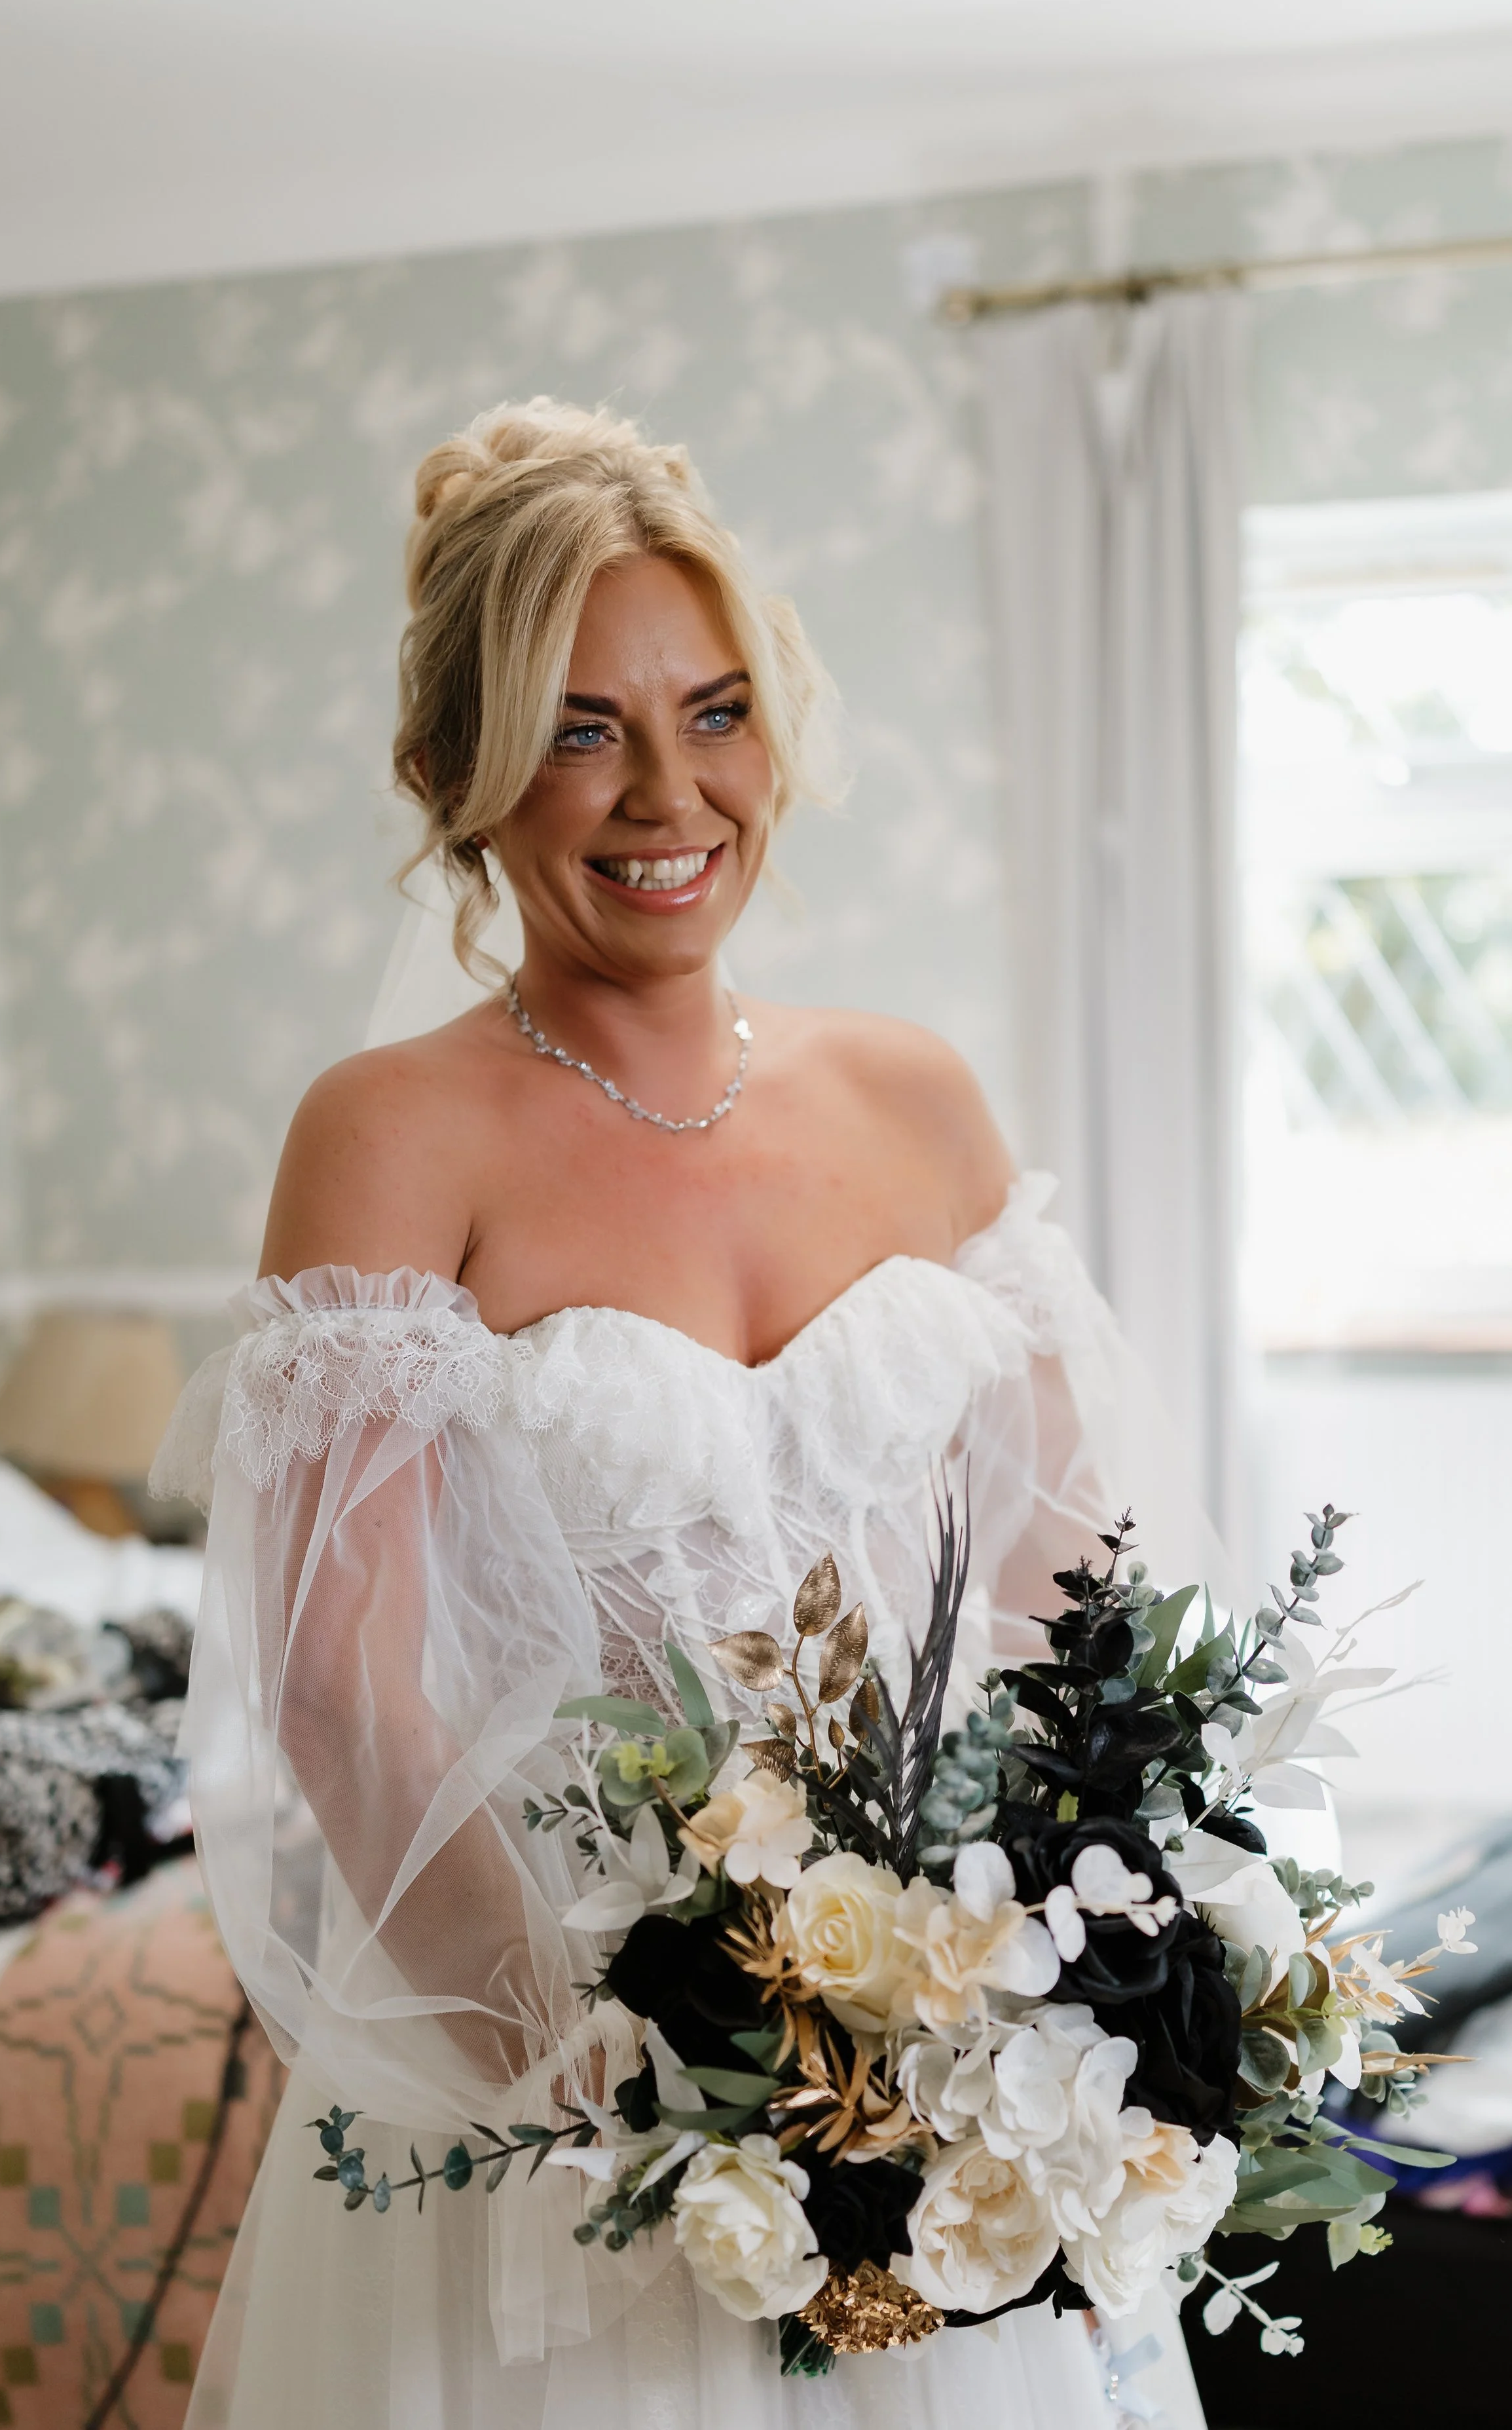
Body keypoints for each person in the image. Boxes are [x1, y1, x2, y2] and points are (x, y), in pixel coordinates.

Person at [157, 399, 1210, 2428]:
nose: (670, 793)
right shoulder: (388, 1136)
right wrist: (623, 2088)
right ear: (449, 776)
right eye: (579, 730)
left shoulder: (911, 1095)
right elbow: (343, 1688)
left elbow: (1061, 1582)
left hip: (943, 2050)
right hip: (572, 2077)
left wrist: (1056, 1982)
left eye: (713, 713)